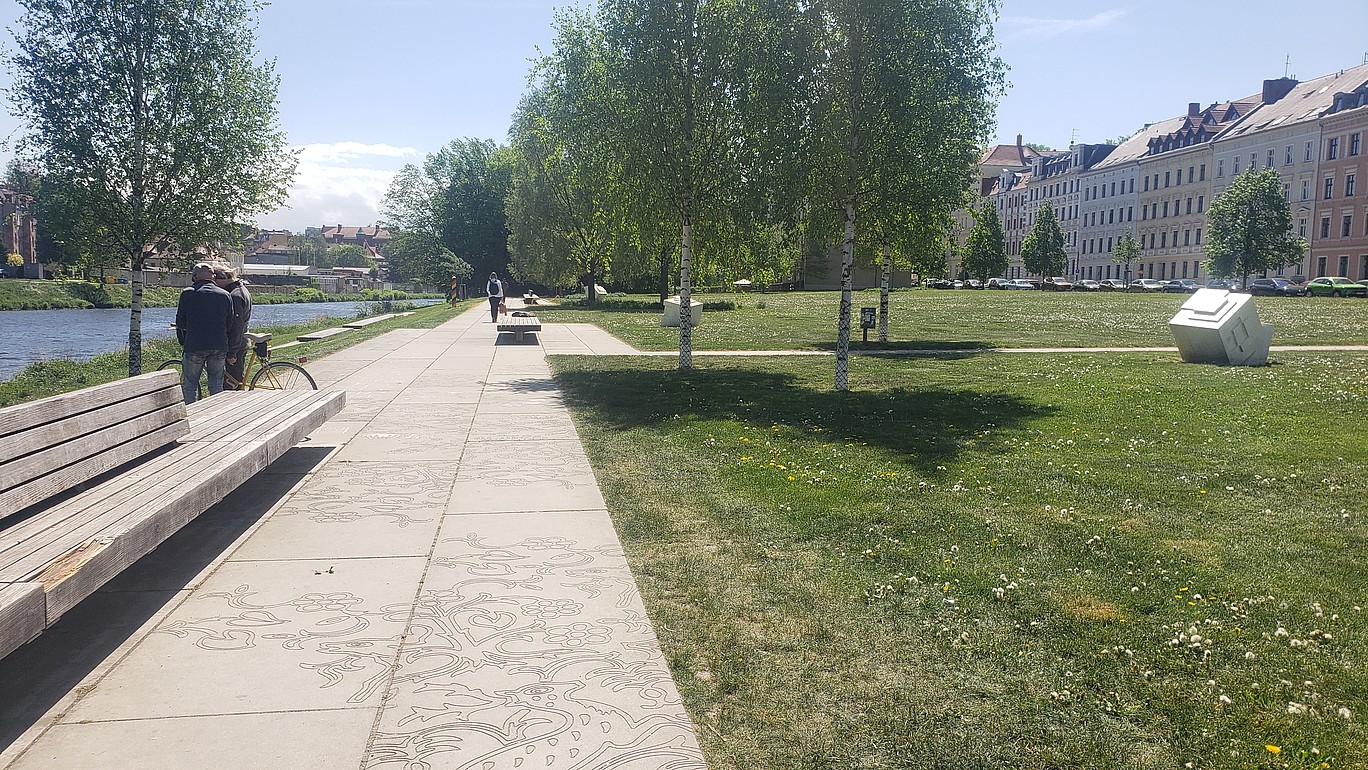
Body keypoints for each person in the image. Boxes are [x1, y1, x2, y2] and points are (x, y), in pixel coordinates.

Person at [175, 262, 234, 403]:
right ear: (213, 276)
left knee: (190, 384)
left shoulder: (188, 294)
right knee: (216, 383)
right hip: (219, 344)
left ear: (194, 276)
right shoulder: (225, 294)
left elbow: (180, 322)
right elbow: (230, 322)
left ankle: (189, 415)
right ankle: (215, 413)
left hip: (195, 344)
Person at [213, 264, 252, 389]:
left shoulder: (235, 295)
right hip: (241, 340)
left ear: (222, 279)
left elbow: (237, 325)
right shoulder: (241, 289)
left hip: (237, 343)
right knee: (236, 380)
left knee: (233, 383)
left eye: (215, 281)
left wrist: (232, 352)